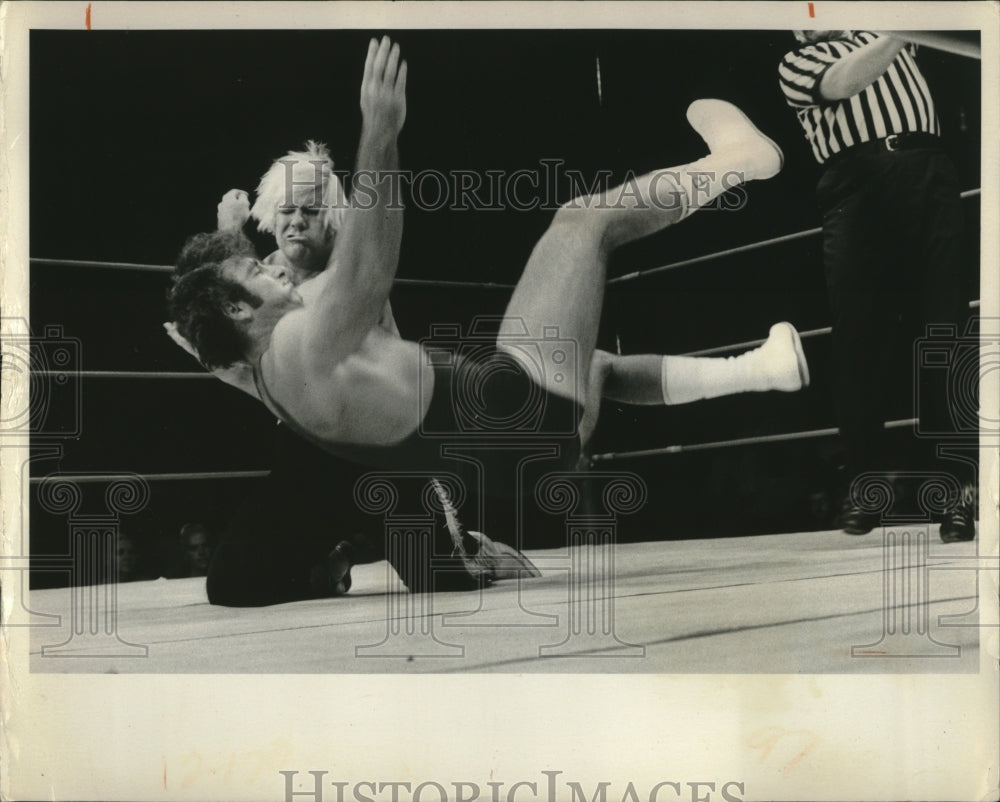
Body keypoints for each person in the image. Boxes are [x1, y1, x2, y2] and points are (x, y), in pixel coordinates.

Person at [171, 37, 807, 595]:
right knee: (584, 223)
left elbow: (217, 330)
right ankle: (736, 163)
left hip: (501, 421)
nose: (270, 269)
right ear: (238, 306)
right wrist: (382, 132)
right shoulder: (298, 347)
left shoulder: (253, 371)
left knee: (598, 353)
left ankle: (763, 369)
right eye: (257, 273)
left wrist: (226, 241)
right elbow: (369, 269)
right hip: (518, 412)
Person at [778, 31, 976, 540]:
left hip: (928, 169)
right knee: (859, 337)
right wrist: (902, 28)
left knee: (945, 329)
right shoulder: (798, 61)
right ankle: (865, 486)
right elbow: (842, 83)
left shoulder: (883, 33)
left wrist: (901, 27)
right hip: (856, 185)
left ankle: (955, 491)